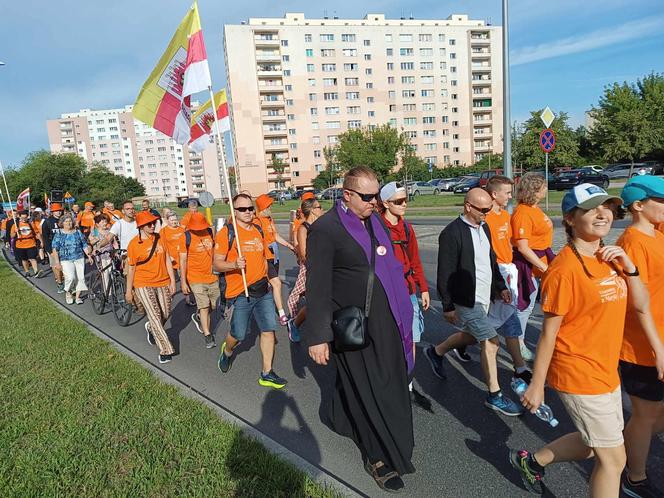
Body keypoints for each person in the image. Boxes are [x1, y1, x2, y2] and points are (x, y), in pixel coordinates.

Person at [510, 184, 664, 497]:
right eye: (591, 209)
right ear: (569, 218)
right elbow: (548, 333)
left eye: (606, 207)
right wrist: (537, 384)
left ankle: (533, 461)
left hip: (607, 371)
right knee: (614, 459)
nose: (602, 214)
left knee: (596, 446)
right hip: (578, 372)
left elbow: (641, 305)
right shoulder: (563, 270)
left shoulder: (610, 258)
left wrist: (630, 268)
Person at [306, 167, 415, 493]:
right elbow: (318, 287)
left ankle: (341, 416)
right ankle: (377, 456)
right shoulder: (325, 229)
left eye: (376, 196)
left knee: (387, 383)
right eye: (367, 197)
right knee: (370, 389)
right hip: (355, 325)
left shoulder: (376, 220)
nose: (374, 203)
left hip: (391, 321)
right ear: (347, 194)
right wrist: (318, 336)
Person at [424, 188, 523, 416]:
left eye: (489, 209)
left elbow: (490, 260)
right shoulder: (452, 233)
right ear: (468, 206)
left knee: (471, 335)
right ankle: (494, 395)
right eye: (483, 210)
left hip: (484, 297)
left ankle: (436, 352)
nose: (487, 214)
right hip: (466, 300)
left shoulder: (484, 227)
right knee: (491, 341)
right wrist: (447, 305)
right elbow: (445, 273)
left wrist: (500, 287)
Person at [617, 176, 664, 498]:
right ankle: (633, 477)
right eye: (660, 200)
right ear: (638, 205)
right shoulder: (632, 243)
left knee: (651, 417)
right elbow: (638, 304)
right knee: (646, 415)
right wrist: (657, 348)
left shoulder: (656, 233)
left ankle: (617, 449)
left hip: (659, 339)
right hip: (643, 347)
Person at [213, 193, 287, 389]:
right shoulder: (227, 233)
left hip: (262, 291)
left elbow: (265, 258)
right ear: (234, 212)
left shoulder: (258, 230)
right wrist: (234, 265)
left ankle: (266, 373)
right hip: (240, 293)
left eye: (250, 208)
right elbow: (217, 264)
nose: (247, 212)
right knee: (238, 335)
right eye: (242, 209)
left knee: (268, 330)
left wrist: (272, 279)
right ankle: (227, 351)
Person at [378, 181, 431, 401]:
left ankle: (407, 379)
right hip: (387, 293)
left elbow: (415, 260)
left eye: (405, 199)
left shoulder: (407, 228)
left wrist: (424, 289)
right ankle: (388, 378)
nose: (404, 204)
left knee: (412, 337)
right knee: (389, 337)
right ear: (385, 203)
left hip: (408, 290)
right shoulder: (376, 227)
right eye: (399, 201)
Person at [484, 176, 532, 382]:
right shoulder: (485, 218)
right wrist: (496, 282)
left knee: (503, 320)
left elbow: (510, 243)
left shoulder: (505, 216)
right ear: (494, 194)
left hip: (508, 272)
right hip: (496, 274)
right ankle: (442, 349)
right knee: (499, 321)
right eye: (507, 193)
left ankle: (520, 367)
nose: (511, 196)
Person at [511, 173, 555, 361]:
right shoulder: (522, 213)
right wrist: (544, 268)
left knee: (531, 305)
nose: (546, 189)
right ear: (535, 190)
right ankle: (518, 343)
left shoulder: (534, 208)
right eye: (543, 186)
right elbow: (522, 246)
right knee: (525, 306)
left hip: (540, 261)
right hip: (528, 265)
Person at [125, 211, 177, 364]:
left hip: (163, 281)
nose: (152, 225)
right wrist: (129, 291)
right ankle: (165, 350)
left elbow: (167, 258)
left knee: (165, 313)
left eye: (154, 222)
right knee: (154, 315)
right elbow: (131, 269)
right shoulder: (134, 244)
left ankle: (151, 328)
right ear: (141, 226)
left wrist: (173, 281)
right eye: (149, 223)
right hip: (143, 283)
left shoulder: (160, 238)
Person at [179, 212, 219, 349]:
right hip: (195, 277)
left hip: (212, 276)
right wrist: (183, 282)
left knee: (213, 306)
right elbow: (182, 260)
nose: (199, 229)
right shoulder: (186, 236)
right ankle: (208, 335)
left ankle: (198, 316)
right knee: (204, 305)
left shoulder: (209, 232)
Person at [255, 193, 296, 326]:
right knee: (277, 283)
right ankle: (282, 313)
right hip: (265, 256)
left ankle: (267, 304)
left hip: (275, 255)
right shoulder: (257, 221)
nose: (271, 207)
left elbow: (275, 236)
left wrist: (289, 246)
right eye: (269, 205)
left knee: (272, 285)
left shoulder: (269, 219)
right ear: (263, 208)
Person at [285, 198, 323, 342]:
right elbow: (303, 254)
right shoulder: (303, 228)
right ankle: (294, 323)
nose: (322, 210)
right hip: (310, 269)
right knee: (307, 301)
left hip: (323, 268)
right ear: (312, 210)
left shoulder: (321, 225)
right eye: (319, 207)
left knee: (321, 300)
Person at [51, 213, 92, 305]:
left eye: (70, 221)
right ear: (62, 223)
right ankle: (68, 293)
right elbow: (55, 248)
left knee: (81, 278)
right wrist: (57, 262)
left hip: (79, 257)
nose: (69, 223)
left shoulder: (77, 232)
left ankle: (77, 297)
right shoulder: (59, 233)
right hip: (66, 259)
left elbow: (84, 244)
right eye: (66, 221)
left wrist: (88, 255)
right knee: (70, 277)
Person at [88, 213, 117, 291]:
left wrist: (117, 252)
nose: (105, 223)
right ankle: (108, 292)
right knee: (105, 274)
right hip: (100, 256)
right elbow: (90, 243)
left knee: (112, 272)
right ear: (97, 224)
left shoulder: (110, 231)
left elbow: (114, 243)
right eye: (102, 222)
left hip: (110, 255)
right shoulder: (94, 232)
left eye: (106, 221)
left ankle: (112, 289)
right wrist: (95, 239)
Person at [11, 210, 43, 278]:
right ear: (19, 217)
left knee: (32, 258)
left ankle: (36, 271)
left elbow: (37, 233)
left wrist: (41, 241)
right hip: (20, 244)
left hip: (31, 243)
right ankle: (27, 271)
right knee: (24, 259)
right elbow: (12, 236)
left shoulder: (30, 224)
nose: (24, 219)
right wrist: (15, 231)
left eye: (25, 218)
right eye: (22, 218)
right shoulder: (15, 225)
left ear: (27, 217)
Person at [41, 203, 65, 292]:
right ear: (52, 212)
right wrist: (49, 250)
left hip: (65, 247)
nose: (59, 212)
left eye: (60, 210)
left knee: (65, 266)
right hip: (53, 248)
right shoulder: (47, 222)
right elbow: (45, 237)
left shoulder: (64, 220)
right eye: (56, 210)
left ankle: (65, 281)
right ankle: (59, 283)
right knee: (56, 266)